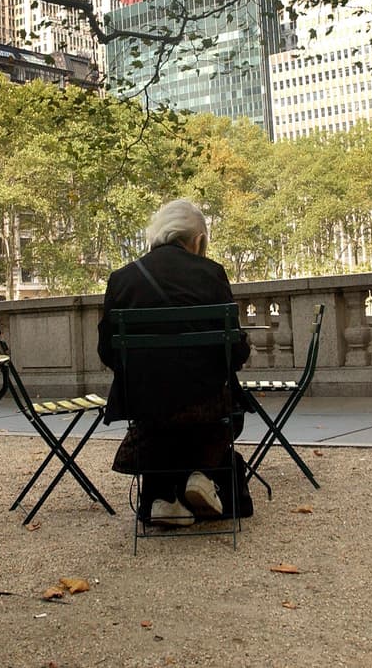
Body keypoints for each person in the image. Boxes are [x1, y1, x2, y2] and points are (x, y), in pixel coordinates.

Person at [96, 199, 252, 527]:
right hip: (206, 404)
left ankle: (164, 496)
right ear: (196, 240)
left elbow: (107, 352)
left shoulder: (122, 279)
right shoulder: (212, 274)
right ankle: (201, 475)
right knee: (225, 409)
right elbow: (234, 354)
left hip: (145, 405)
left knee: (163, 413)